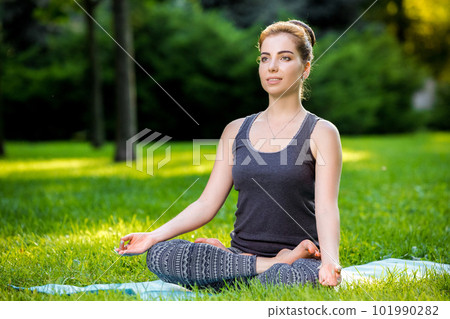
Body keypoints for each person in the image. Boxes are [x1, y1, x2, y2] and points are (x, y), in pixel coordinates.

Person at [115, 20, 342, 290]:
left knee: (295, 276)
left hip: (302, 259)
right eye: (265, 58)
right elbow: (206, 204)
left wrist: (329, 261)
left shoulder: (321, 132)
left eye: (285, 58)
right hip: (239, 255)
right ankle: (263, 266)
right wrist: (152, 236)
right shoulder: (236, 131)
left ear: (305, 68)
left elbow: (327, 208)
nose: (272, 67)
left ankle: (254, 271)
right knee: (160, 255)